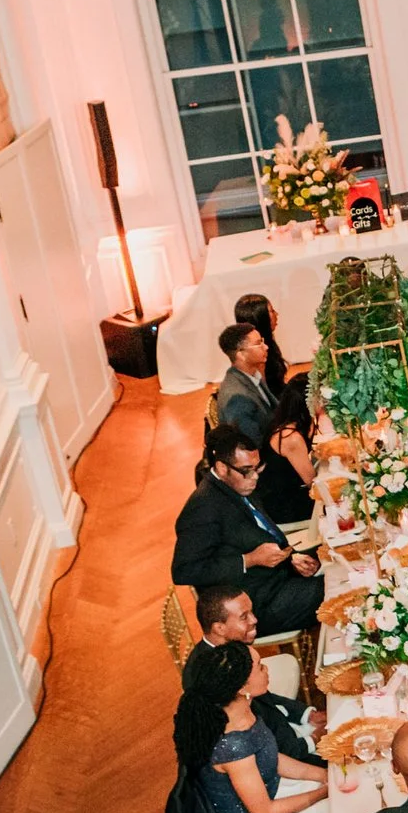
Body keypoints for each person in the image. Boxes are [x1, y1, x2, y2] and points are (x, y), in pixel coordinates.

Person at [177, 640, 332, 813]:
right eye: (260, 666)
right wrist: (323, 793)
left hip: (271, 800)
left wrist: (325, 775)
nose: (266, 669)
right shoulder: (233, 745)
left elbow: (273, 757)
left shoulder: (243, 711)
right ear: (241, 688)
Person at [173, 425, 323, 635]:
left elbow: (263, 531)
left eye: (257, 468)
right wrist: (249, 560)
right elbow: (184, 571)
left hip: (279, 577)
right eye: (246, 470)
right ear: (222, 468)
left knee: (341, 562)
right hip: (257, 605)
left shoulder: (238, 483)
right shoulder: (202, 509)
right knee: (339, 589)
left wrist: (291, 558)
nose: (254, 477)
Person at [188, 584, 322, 763]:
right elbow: (271, 746)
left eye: (251, 612)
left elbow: (266, 699)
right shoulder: (214, 678)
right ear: (219, 628)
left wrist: (306, 714)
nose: (254, 619)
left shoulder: (230, 648)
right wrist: (315, 739)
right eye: (244, 617)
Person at [213, 321, 314, 524]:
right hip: (273, 490)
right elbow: (252, 453)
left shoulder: (252, 376)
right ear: (241, 354)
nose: (266, 347)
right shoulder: (237, 398)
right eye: (258, 343)